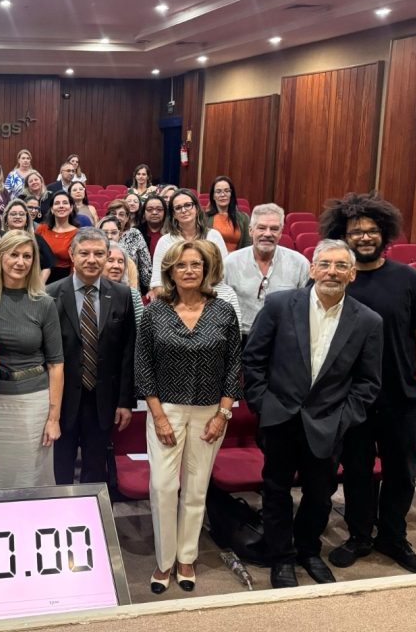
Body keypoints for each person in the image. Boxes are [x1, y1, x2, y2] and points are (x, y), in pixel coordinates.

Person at [244, 239, 383, 589]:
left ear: (352, 274)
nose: (332, 272)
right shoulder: (279, 305)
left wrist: (344, 418)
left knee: (320, 494)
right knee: (275, 490)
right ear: (312, 269)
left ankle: (308, 550)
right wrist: (263, 404)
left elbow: (368, 382)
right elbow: (254, 359)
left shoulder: (368, 321)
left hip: (328, 424)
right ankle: (281, 556)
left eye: (341, 266)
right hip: (279, 418)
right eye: (325, 264)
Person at [320, 193, 416, 574]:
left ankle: (393, 535)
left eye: (372, 230)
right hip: (351, 398)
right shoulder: (337, 279)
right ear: (343, 236)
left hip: (401, 398)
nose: (365, 237)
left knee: (402, 473)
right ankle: (359, 535)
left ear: (384, 233)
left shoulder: (409, 279)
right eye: (356, 231)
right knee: (357, 472)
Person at [135, 239, 241, 595]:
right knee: (163, 487)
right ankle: (164, 560)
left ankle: (186, 558)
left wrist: (223, 414)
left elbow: (233, 366)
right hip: (165, 410)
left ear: (206, 269)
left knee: (196, 489)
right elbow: (143, 366)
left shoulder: (223, 311)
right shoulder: (154, 312)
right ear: (170, 271)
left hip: (210, 412)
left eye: (196, 264)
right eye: (181, 265)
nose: (189, 270)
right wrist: (158, 416)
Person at [0, 230, 62, 489]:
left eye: (27, 256)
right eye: (14, 255)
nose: (20, 262)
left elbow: (56, 365)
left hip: (34, 401)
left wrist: (53, 418)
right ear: (1, 257)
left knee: (31, 475)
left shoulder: (44, 303)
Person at [46, 228, 135, 485]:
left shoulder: (121, 295)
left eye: (99, 253)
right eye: (84, 253)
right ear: (72, 255)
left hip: (103, 399)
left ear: (107, 255)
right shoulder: (50, 294)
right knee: (59, 467)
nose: (92, 260)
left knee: (95, 470)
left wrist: (125, 401)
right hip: (62, 399)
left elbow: (128, 352)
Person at [223, 203, 310, 339]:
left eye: (274, 229)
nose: (268, 234)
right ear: (251, 231)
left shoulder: (300, 263)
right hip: (241, 337)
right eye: (261, 228)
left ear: (281, 233)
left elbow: (305, 307)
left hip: (283, 337)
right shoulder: (230, 263)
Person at [149, 189, 228, 295]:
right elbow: (157, 283)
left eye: (188, 205)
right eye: (178, 208)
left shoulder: (213, 236)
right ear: (173, 214)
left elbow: (224, 274)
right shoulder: (165, 241)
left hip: (213, 295)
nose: (183, 210)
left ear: (197, 208)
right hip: (175, 298)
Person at [2, 198, 55, 283]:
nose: (18, 217)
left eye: (22, 214)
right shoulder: (0, 239)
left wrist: (38, 286)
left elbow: (47, 266)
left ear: (27, 219)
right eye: (13, 214)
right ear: (6, 219)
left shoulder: (37, 239)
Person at [37, 190, 80, 280]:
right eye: (57, 203)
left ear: (71, 208)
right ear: (52, 209)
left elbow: (76, 263)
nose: (61, 206)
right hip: (39, 276)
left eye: (65, 203)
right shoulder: (41, 229)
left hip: (65, 279)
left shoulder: (77, 233)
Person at [205, 176, 251, 252]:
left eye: (226, 191)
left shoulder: (244, 218)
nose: (223, 195)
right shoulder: (204, 218)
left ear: (231, 194)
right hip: (213, 258)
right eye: (218, 192)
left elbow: (247, 245)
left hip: (237, 258)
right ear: (213, 196)